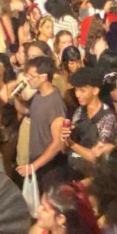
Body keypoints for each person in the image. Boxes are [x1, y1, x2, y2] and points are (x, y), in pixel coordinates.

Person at [22, 55, 71, 190]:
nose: (28, 79)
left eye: (31, 76)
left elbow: (58, 143)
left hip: (50, 166)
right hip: (38, 160)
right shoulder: (38, 95)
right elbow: (28, 111)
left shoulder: (55, 103)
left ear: (43, 77)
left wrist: (34, 166)